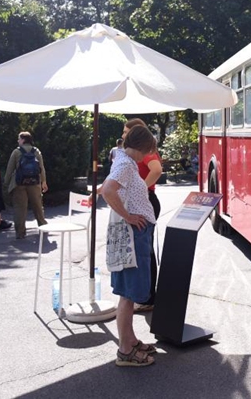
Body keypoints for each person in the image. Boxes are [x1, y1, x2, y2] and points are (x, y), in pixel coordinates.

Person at [101, 125, 159, 367]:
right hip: (134, 235)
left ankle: (130, 340)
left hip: (136, 233)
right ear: (144, 148)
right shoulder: (126, 164)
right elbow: (108, 190)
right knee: (128, 295)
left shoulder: (122, 158)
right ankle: (125, 350)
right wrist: (128, 216)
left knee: (128, 293)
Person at [123, 118, 162, 313]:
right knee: (145, 251)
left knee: (145, 252)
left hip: (147, 200)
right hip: (146, 200)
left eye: (126, 132)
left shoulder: (145, 151)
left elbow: (157, 170)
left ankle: (148, 297)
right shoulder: (133, 154)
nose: (123, 136)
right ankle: (147, 296)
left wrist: (141, 189)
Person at [4, 131, 48, 240]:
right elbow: (41, 168)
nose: (18, 141)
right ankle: (43, 227)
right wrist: (43, 182)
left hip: (19, 183)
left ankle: (20, 232)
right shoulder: (36, 151)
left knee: (20, 208)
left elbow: (9, 170)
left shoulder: (16, 152)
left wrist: (6, 183)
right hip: (34, 182)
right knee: (38, 206)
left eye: (19, 139)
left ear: (23, 140)